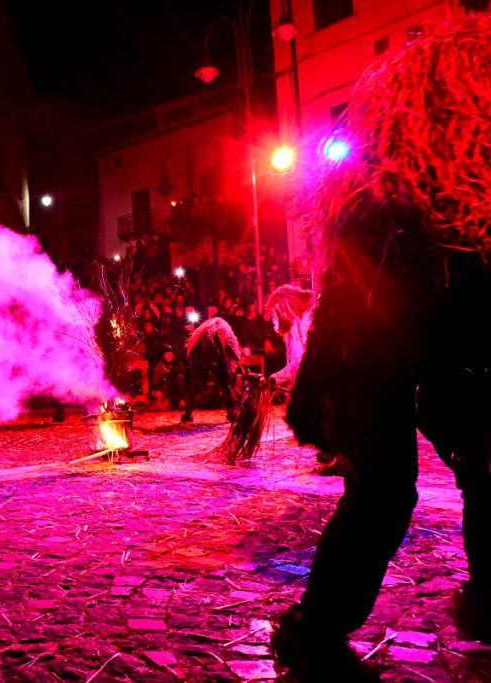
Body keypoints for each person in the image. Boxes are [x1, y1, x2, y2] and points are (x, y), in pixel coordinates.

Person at [272, 18, 491, 681]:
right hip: (386, 368)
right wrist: (324, 400)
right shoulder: (380, 201)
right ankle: (317, 627)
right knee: (388, 491)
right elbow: (348, 306)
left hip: (447, 363)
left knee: (471, 474)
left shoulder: (464, 194)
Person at [180, 316, 243, 424]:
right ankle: (230, 412)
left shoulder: (209, 331)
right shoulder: (222, 330)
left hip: (201, 356)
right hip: (204, 356)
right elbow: (227, 346)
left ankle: (188, 413)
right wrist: (238, 359)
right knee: (224, 384)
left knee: (195, 385)